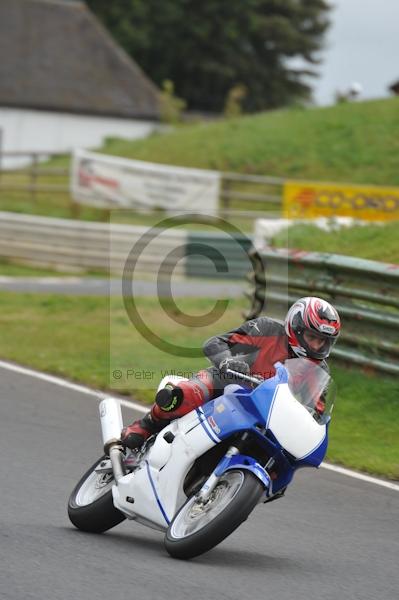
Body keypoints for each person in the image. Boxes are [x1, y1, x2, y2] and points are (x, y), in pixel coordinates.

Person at [121, 296, 341, 450]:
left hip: (266, 416)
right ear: (297, 327)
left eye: (323, 341)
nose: (317, 345)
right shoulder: (266, 330)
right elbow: (216, 343)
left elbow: (316, 413)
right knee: (187, 393)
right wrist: (228, 361)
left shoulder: (319, 370)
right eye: (313, 337)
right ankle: (146, 425)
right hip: (228, 384)